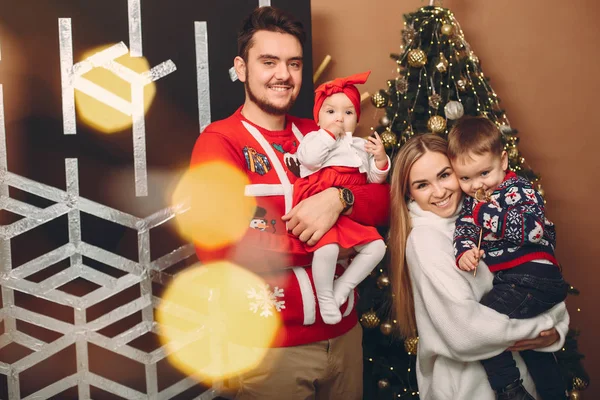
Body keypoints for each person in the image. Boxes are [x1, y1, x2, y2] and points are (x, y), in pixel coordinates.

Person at [189, 6, 389, 399]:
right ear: (242, 68)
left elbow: (381, 205)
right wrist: (324, 238)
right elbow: (220, 246)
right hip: (272, 349)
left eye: (294, 64)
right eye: (269, 62)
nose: (283, 74)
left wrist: (340, 198)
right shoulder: (220, 142)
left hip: (345, 336)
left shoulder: (321, 131)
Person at [388, 134, 570, 400]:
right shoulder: (425, 239)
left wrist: (556, 331)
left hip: (527, 380)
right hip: (471, 389)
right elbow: (465, 332)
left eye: (444, 175)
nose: (439, 192)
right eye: (422, 185)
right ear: (409, 193)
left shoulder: (486, 213)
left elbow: (535, 276)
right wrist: (542, 328)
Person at [448, 117, 569, 399]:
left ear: (503, 161)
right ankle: (554, 393)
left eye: (484, 173)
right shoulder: (471, 204)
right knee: (532, 346)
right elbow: (464, 229)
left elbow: (534, 229)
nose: (476, 185)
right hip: (513, 281)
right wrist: (464, 252)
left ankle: (509, 389)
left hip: (535, 277)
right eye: (465, 178)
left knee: (482, 324)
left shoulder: (518, 190)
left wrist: (485, 214)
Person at [293, 71, 389, 324]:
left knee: (377, 246)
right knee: (328, 248)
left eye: (348, 113)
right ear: (318, 117)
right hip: (319, 194)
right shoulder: (313, 138)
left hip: (348, 206)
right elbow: (310, 159)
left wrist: (379, 159)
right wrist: (328, 134)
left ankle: (343, 287)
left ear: (356, 119)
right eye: (331, 112)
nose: (339, 118)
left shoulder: (359, 145)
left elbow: (374, 182)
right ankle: (324, 296)